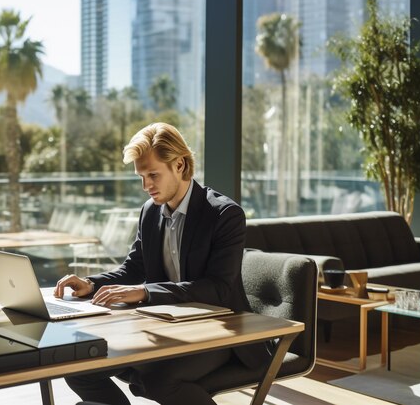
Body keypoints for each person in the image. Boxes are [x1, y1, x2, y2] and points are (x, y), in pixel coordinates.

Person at [54, 122, 271, 405]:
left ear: (179, 165)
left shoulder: (224, 215)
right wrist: (92, 283)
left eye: (153, 174)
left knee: (159, 380)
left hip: (222, 331)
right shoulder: (150, 212)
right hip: (166, 327)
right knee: (79, 366)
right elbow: (133, 269)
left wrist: (146, 292)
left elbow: (218, 289)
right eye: (141, 177)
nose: (146, 186)